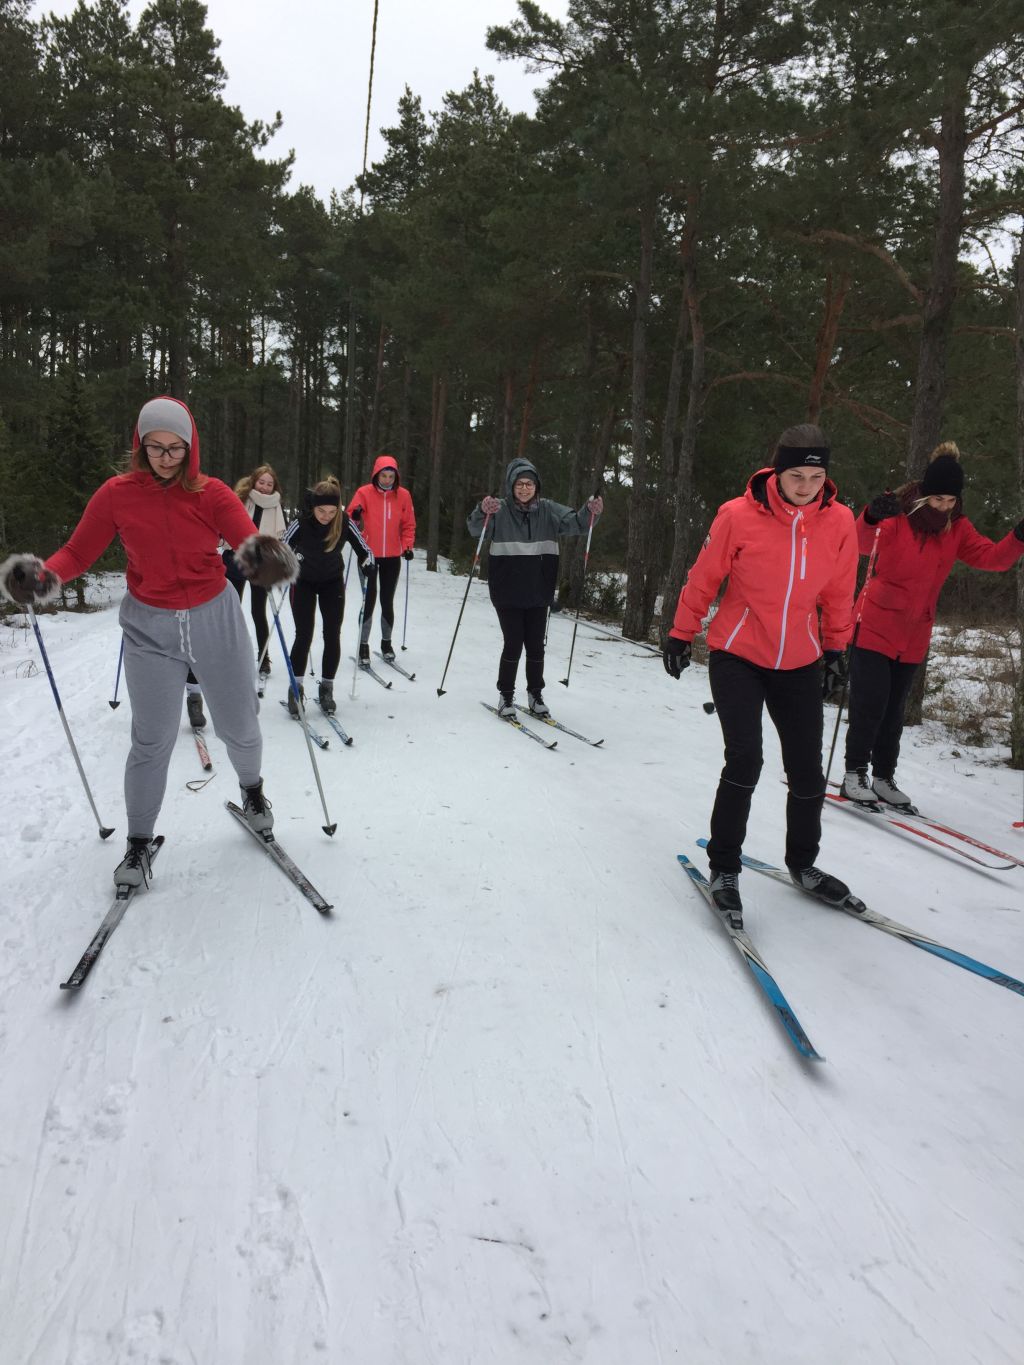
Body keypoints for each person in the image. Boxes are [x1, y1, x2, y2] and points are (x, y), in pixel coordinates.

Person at [0, 396, 298, 889]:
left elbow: (245, 537)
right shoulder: (117, 494)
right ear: (140, 446)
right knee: (151, 738)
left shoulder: (213, 493)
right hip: (149, 625)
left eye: (174, 448)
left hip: (213, 617)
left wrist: (263, 558)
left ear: (190, 446)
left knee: (239, 723)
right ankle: (138, 844)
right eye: (154, 447)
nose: (164, 457)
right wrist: (44, 576)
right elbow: (79, 550)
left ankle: (252, 791)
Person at [663, 424, 858, 929]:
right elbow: (704, 577)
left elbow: (839, 591)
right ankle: (725, 868)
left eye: (817, 476)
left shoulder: (838, 522)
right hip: (739, 655)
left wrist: (836, 648)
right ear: (778, 469)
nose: (806, 486)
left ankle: (803, 863)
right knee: (746, 758)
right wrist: (682, 633)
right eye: (797, 475)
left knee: (808, 770)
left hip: (799, 659)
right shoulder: (738, 514)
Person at [841, 442, 1024, 808]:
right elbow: (861, 543)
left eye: (951, 501)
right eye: (938, 499)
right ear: (924, 493)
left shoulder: (956, 529)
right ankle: (854, 774)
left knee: (895, 712)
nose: (943, 507)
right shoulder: (897, 516)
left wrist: (1018, 536)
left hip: (913, 636)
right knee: (871, 704)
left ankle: (883, 777)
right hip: (874, 624)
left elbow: (993, 558)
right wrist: (871, 516)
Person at [467, 458, 603, 718]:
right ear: (511, 486)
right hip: (507, 591)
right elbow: (475, 529)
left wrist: (591, 510)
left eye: (529, 483)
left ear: (536, 486)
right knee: (513, 643)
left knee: (536, 646)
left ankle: (535, 693)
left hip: (539, 592)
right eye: (519, 484)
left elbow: (579, 523)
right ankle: (506, 696)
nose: (525, 488)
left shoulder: (549, 510)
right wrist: (482, 510)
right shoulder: (500, 510)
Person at [282, 478, 373, 715]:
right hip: (302, 582)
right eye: (321, 510)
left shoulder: (343, 522)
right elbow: (281, 547)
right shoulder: (301, 522)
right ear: (313, 506)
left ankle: (327, 688)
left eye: (332, 511)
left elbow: (365, 549)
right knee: (304, 635)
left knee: (332, 634)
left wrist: (367, 563)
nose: (326, 516)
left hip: (332, 582)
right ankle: (296, 688)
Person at [347, 454, 416, 662]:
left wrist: (407, 546)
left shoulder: (403, 495)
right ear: (376, 474)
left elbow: (408, 524)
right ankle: (363, 645)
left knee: (387, 600)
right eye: (384, 475)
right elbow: (350, 520)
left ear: (396, 477)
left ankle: (386, 644)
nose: (387, 480)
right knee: (369, 599)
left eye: (391, 476)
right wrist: (356, 515)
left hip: (392, 556)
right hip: (367, 555)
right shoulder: (364, 493)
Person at [229, 464, 288, 679]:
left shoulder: (276, 506)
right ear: (254, 481)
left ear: (274, 487)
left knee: (258, 611)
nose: (264, 487)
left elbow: (280, 537)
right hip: (236, 559)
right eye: (261, 482)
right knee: (231, 611)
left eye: (269, 484)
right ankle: (230, 655)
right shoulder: (240, 499)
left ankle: (264, 658)